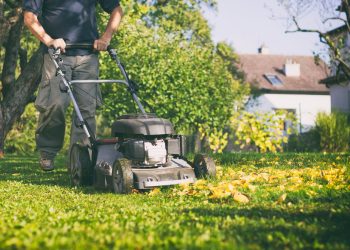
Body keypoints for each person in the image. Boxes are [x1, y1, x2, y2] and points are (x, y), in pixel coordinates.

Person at [23, 0, 123, 171]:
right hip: (57, 54)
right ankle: (47, 153)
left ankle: (81, 160)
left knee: (86, 109)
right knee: (55, 104)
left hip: (88, 56)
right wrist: (49, 40)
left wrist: (105, 37)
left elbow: (117, 10)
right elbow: (29, 17)